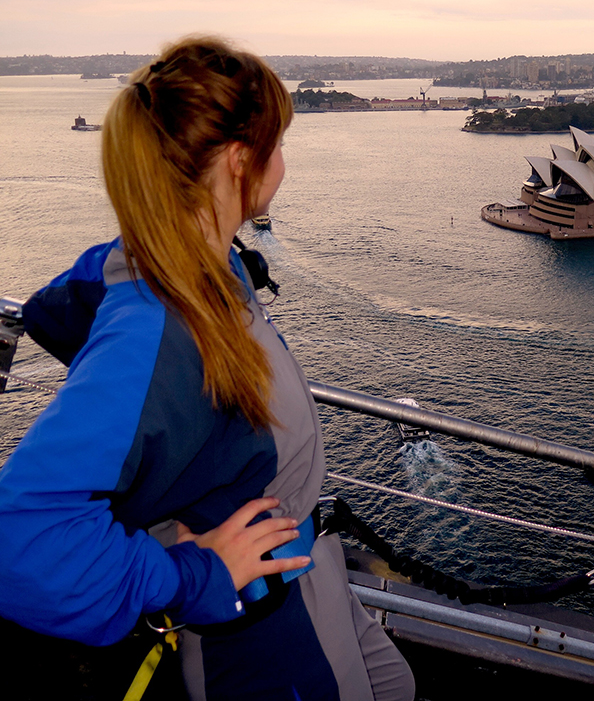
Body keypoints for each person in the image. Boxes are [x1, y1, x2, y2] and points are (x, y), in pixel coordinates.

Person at [0, 36, 415, 701]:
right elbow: (18, 541)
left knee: (396, 684)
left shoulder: (199, 266)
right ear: (239, 159)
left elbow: (71, 305)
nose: (285, 162)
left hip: (310, 577)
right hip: (258, 637)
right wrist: (190, 575)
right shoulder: (160, 324)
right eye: (278, 143)